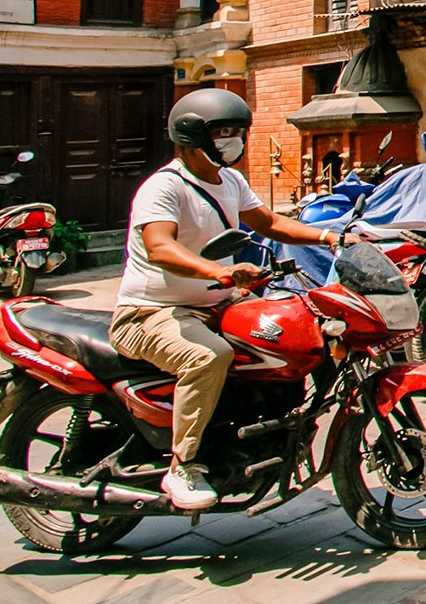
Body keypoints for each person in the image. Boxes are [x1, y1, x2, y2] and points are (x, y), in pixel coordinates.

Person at [111, 89, 360, 510]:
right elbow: (160, 247)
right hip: (150, 313)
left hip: (219, 305)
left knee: (293, 330)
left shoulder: (231, 181)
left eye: (238, 132)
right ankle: (182, 466)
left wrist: (330, 236)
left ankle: (258, 431)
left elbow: (269, 223)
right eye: (223, 132)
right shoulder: (164, 187)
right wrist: (220, 272)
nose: (235, 142)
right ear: (192, 136)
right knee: (207, 358)